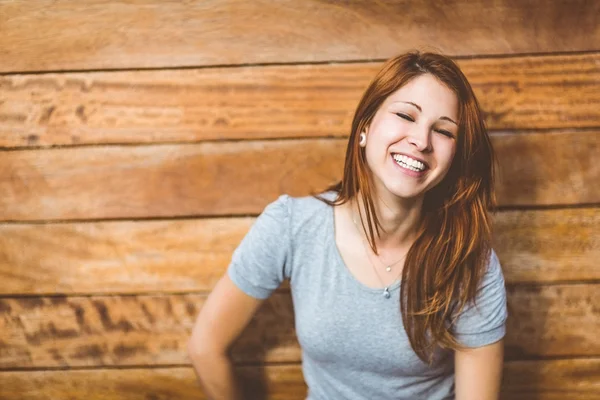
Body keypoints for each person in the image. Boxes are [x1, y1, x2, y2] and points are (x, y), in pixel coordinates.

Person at [188, 51, 508, 400]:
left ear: (454, 159)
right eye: (405, 115)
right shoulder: (292, 226)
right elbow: (205, 347)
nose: (421, 140)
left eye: (444, 131)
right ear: (365, 129)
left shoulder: (470, 261)